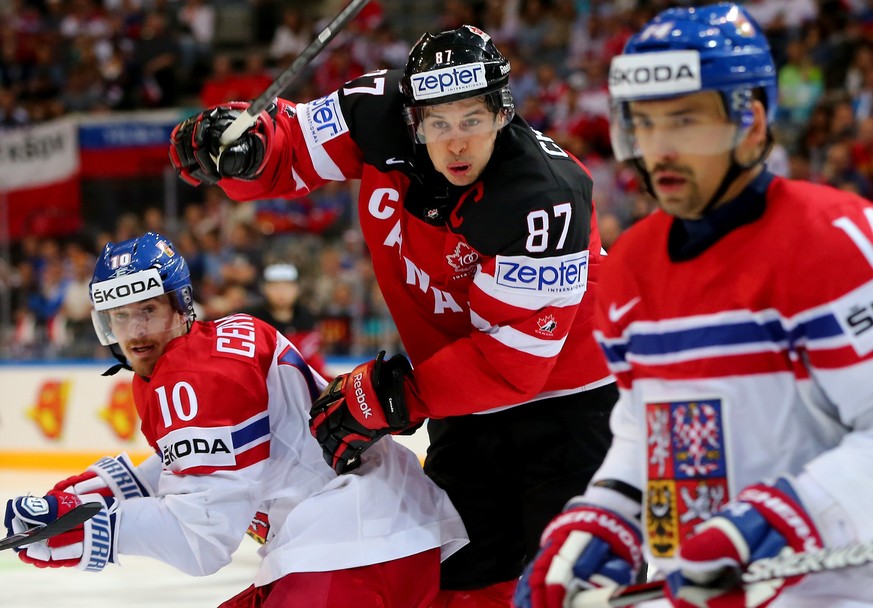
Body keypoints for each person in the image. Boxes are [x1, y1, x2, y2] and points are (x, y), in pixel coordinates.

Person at [168, 25, 618, 607]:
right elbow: (291, 146)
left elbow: (513, 367)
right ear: (412, 118)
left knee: (574, 587)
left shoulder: (541, 198)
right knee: (460, 586)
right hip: (463, 408)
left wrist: (393, 394)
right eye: (438, 123)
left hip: (571, 406)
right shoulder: (372, 112)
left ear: (503, 114)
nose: (457, 144)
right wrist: (241, 150)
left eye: (472, 121)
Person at [515, 4, 873, 608]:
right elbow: (648, 432)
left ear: (752, 123)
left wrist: (785, 518)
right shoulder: (630, 266)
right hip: (696, 588)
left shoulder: (835, 243)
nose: (660, 149)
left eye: (684, 123)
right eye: (644, 126)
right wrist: (606, 515)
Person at [4, 232, 467, 608]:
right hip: (389, 530)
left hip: (353, 550)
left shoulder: (190, 378)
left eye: (148, 310)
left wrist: (92, 528)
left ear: (181, 306)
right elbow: (219, 460)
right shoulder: (212, 343)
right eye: (120, 317)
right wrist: (108, 487)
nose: (136, 331)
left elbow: (200, 540)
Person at [244, 262, 329, 378]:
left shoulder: (307, 318)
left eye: (287, 286)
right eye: (275, 286)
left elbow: (313, 360)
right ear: (265, 289)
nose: (281, 292)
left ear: (297, 289)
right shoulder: (251, 319)